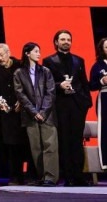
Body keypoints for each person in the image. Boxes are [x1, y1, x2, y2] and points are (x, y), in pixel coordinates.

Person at [42, 30, 92, 186]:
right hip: (60, 105)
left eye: (68, 39)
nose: (66, 42)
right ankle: (68, 176)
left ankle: (79, 176)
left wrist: (86, 102)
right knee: (64, 141)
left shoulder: (79, 60)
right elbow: (46, 84)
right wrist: (59, 85)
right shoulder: (48, 61)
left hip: (77, 105)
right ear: (56, 42)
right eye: (62, 39)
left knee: (77, 141)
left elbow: (84, 83)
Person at [13, 42, 59, 186]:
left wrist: (43, 112)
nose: (39, 54)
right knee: (36, 148)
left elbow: (50, 93)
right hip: (30, 117)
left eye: (39, 51)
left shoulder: (46, 71)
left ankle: (51, 177)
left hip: (47, 116)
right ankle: (42, 176)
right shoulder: (19, 73)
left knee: (50, 146)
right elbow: (20, 95)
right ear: (27, 53)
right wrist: (34, 112)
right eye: (36, 51)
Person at [0, 43, 27, 185]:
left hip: (23, 110)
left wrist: (22, 101)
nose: (0, 58)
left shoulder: (19, 65)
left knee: (26, 144)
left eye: (2, 55)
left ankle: (30, 175)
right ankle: (15, 176)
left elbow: (27, 86)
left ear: (8, 52)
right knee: (11, 145)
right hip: (6, 113)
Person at [89, 37, 107, 170]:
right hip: (105, 98)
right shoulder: (98, 66)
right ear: (102, 50)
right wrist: (102, 81)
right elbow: (91, 86)